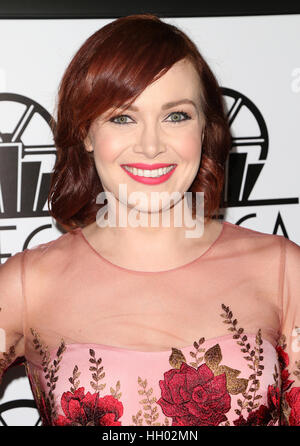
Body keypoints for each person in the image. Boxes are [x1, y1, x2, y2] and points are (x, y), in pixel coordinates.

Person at [0, 13, 300, 427]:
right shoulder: (26, 284)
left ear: (206, 127)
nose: (151, 145)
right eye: (123, 117)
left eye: (176, 116)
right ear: (86, 133)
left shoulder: (282, 271)